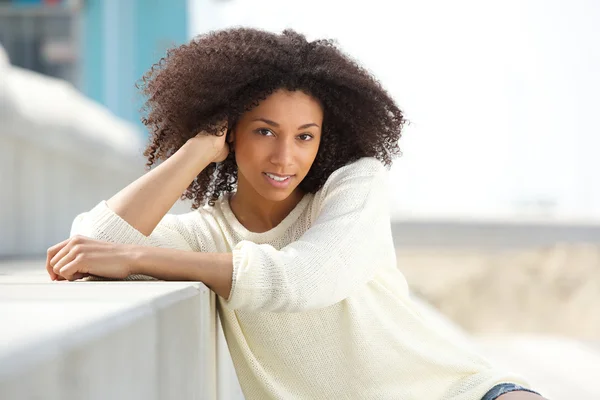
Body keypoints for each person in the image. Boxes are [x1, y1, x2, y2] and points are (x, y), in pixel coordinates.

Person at [45, 28, 547, 400]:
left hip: (462, 392)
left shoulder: (351, 187)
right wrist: (196, 150)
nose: (286, 157)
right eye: (264, 131)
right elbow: (91, 245)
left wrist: (139, 256)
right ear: (230, 130)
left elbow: (303, 280)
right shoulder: (204, 236)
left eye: (305, 135)